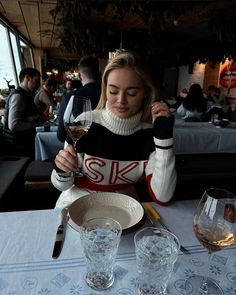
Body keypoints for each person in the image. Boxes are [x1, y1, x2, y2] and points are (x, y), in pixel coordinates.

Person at [51, 50, 177, 209]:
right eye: (113, 91)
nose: (121, 101)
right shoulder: (85, 121)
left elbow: (163, 197)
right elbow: (61, 184)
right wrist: (61, 169)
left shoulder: (149, 134)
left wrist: (164, 140)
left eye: (132, 93)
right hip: (76, 204)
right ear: (105, 90)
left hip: (123, 208)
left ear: (145, 93)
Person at [57, 55, 101, 142]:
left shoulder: (69, 97)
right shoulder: (110, 96)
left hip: (76, 150)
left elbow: (61, 136)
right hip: (104, 150)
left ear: (79, 76)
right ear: (99, 75)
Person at [3, 67, 45, 158]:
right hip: (17, 147)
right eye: (36, 81)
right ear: (27, 78)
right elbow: (13, 125)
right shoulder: (18, 96)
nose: (38, 85)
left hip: (22, 143)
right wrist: (36, 124)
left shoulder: (25, 95)